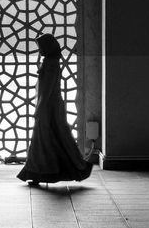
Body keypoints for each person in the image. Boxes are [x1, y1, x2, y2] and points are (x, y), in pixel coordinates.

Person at [17, 33, 93, 186]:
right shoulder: (51, 62)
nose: (40, 50)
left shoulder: (50, 63)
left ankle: (42, 172)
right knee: (55, 137)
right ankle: (54, 170)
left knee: (46, 138)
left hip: (49, 106)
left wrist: (41, 108)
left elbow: (48, 89)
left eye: (41, 47)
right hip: (51, 105)